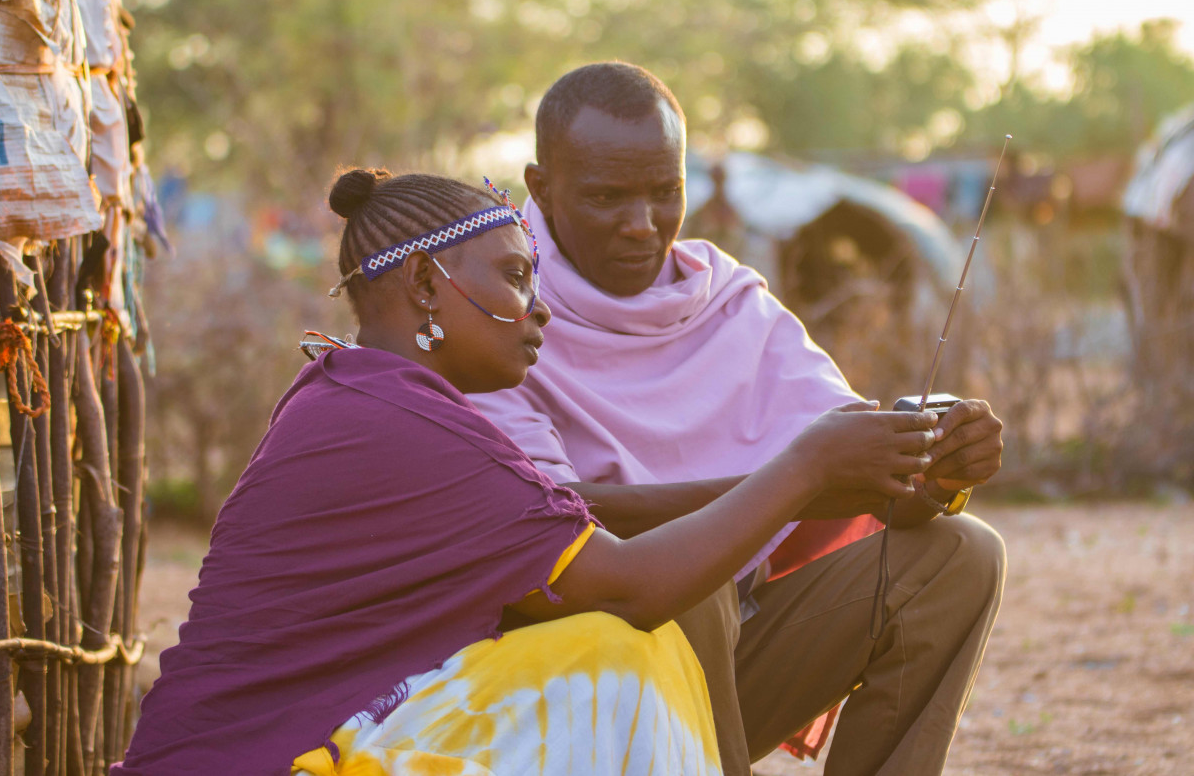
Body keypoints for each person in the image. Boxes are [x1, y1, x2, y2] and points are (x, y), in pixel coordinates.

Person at [113, 168, 941, 775]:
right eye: (514, 276)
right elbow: (629, 584)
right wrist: (806, 464)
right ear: (426, 284)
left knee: (605, 644)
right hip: (269, 760)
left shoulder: (369, 395)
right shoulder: (397, 421)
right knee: (617, 654)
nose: (539, 306)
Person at [469, 62, 1007, 776]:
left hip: (728, 660)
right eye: (607, 197)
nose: (642, 224)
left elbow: (864, 477)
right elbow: (537, 520)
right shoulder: (495, 306)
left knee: (960, 554)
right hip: (566, 690)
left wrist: (936, 465)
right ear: (541, 187)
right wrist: (796, 477)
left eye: (666, 192)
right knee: (688, 570)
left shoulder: (727, 300)